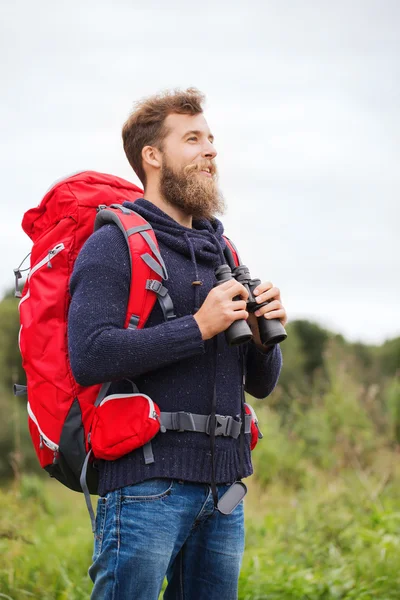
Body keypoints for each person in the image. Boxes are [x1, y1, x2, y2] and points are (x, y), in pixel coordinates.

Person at [68, 87, 287, 600]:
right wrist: (199, 326)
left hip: (225, 492)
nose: (211, 150)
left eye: (211, 139)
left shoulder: (223, 252)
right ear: (153, 156)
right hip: (146, 489)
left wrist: (262, 337)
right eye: (193, 139)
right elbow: (89, 355)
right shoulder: (113, 243)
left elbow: (262, 384)